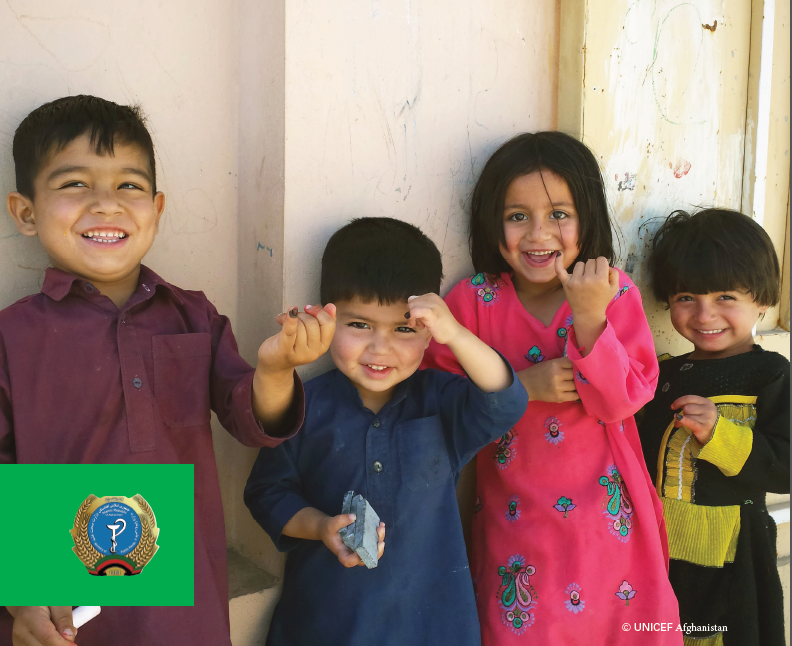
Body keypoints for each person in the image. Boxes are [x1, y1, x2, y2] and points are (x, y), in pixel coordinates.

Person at [0, 95, 334, 646]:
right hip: (61, 599)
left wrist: (276, 368)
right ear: (26, 212)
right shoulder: (12, 337)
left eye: (128, 185)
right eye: (75, 184)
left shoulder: (192, 315)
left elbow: (252, 421)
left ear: (156, 207)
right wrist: (22, 595)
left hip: (181, 601)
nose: (107, 204)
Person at [422, 132, 681, 644]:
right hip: (516, 526)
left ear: (588, 218)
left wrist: (589, 318)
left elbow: (624, 400)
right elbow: (439, 408)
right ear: (491, 221)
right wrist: (520, 387)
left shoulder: (612, 292)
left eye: (559, 214)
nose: (538, 234)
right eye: (517, 215)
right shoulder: (473, 302)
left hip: (608, 529)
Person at [244, 217, 528, 646]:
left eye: (404, 329)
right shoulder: (303, 405)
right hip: (328, 625)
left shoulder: (440, 403)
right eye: (359, 325)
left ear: (428, 335)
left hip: (431, 627)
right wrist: (321, 527)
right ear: (327, 320)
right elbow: (268, 493)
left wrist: (454, 334)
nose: (380, 348)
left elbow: (507, 400)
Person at [638, 208, 789, 646]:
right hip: (659, 547)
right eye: (686, 297)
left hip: (733, 556)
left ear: (763, 299)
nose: (704, 315)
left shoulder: (770, 374)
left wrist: (720, 435)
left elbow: (785, 467)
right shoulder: (663, 375)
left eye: (725, 297)